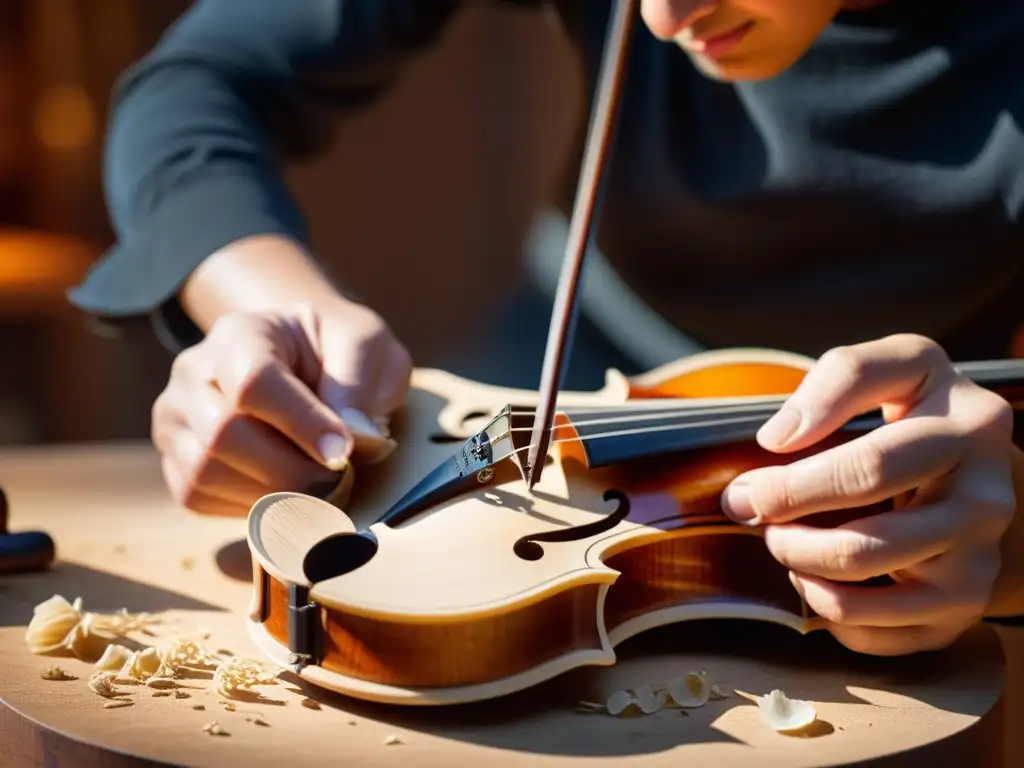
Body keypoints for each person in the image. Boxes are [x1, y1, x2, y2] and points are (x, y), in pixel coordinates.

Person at [69, 0, 1024, 655]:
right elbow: (200, 84)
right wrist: (272, 314)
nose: (658, 18)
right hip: (550, 388)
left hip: (887, 498)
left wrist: (1011, 542)